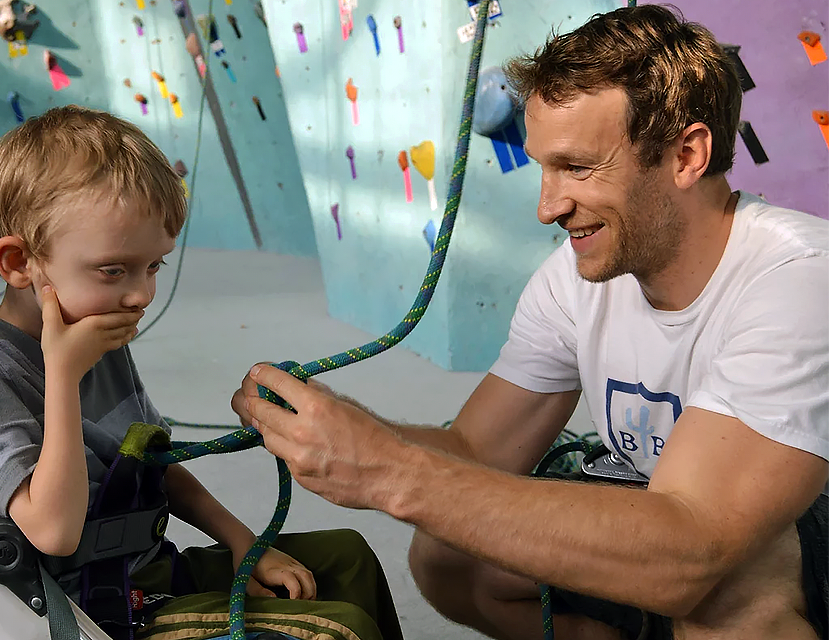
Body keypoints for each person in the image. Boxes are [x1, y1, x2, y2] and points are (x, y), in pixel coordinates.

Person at [233, 6, 829, 640]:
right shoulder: (576, 277)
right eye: (543, 166)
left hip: (789, 531)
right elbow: (477, 452)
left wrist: (388, 473)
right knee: (451, 556)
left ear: (686, 155)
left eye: (577, 167)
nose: (548, 206)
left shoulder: (796, 278)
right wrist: (341, 429)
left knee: (723, 598)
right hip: (672, 511)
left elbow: (693, 551)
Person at [0, 106, 402, 640]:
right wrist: (63, 375)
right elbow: (52, 531)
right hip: (94, 606)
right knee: (334, 629)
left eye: (153, 265)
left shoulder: (97, 331)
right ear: (19, 263)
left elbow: (150, 465)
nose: (141, 294)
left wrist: (243, 544)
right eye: (113, 270)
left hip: (147, 570)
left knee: (347, 556)